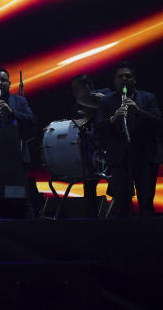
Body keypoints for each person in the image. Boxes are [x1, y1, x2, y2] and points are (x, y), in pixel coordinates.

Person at [95, 61, 162, 217]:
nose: (124, 79)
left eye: (128, 76)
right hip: (119, 158)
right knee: (122, 204)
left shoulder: (147, 98)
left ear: (134, 80)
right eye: (120, 76)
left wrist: (138, 111)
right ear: (115, 81)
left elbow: (158, 123)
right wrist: (113, 119)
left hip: (145, 155)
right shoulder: (107, 101)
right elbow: (99, 128)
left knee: (146, 204)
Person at [0, 67, 40, 214]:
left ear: (9, 83)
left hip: (17, 155)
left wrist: (12, 112)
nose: (0, 83)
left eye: (3, 80)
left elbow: (32, 120)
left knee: (18, 196)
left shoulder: (19, 101)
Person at [68, 73, 108, 217]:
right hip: (91, 153)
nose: (73, 93)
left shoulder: (107, 96)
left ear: (87, 86)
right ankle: (92, 218)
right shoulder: (76, 106)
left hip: (109, 149)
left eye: (75, 88)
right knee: (89, 185)